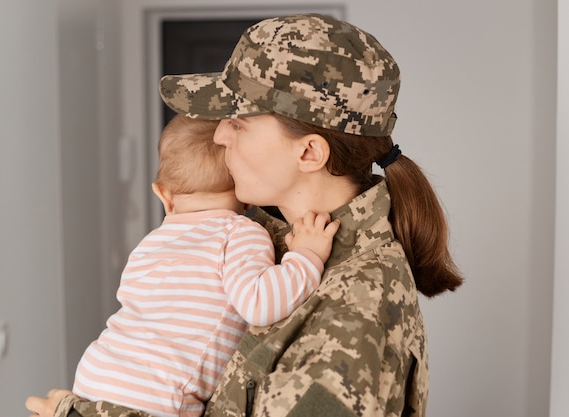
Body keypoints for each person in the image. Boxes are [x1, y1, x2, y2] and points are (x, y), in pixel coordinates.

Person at [27, 13, 463, 417]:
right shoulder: (259, 232)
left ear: (309, 152)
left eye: (239, 121)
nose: (218, 133)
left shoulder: (358, 307)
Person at [28, 113, 340, 417]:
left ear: (163, 194)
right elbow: (259, 303)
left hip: (96, 373)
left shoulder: (151, 243)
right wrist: (306, 256)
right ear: (246, 198)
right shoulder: (239, 232)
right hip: (159, 394)